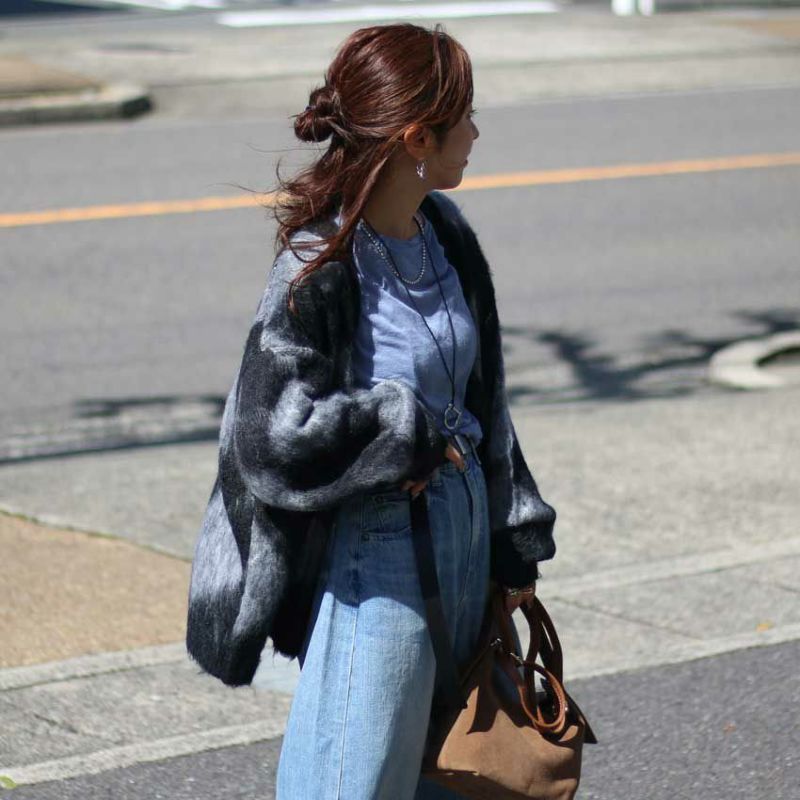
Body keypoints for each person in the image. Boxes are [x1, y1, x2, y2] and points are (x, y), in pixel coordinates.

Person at [185, 21, 557, 800]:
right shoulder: (320, 262)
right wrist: (403, 429)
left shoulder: (447, 235)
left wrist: (512, 540)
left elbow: (487, 402)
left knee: (448, 773)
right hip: (381, 553)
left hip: (464, 544)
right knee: (353, 777)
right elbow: (269, 435)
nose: (476, 133)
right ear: (418, 137)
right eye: (464, 118)